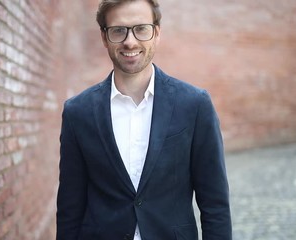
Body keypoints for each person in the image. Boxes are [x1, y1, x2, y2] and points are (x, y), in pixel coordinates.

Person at [56, 0, 232, 239]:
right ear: (104, 37)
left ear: (156, 33)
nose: (130, 41)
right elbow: (70, 207)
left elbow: (215, 203)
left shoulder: (195, 104)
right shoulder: (78, 112)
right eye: (118, 30)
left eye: (141, 28)